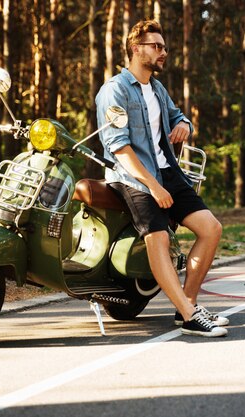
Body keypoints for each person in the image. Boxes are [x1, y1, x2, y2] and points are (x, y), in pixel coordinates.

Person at [95, 19, 228, 337]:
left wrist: (186, 125)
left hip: (168, 171)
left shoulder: (156, 89)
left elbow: (177, 116)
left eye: (165, 47)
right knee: (159, 237)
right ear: (136, 49)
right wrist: (153, 187)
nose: (163, 52)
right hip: (132, 177)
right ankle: (188, 313)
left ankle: (188, 308)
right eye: (157, 46)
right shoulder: (114, 90)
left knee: (211, 229)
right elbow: (120, 148)